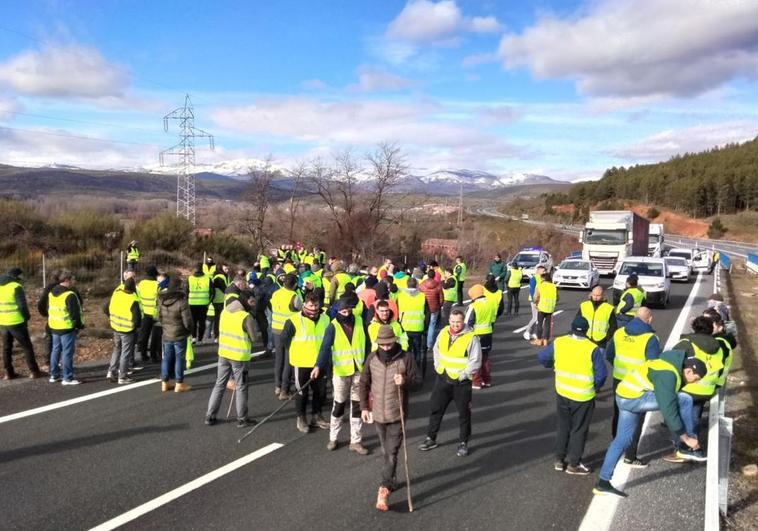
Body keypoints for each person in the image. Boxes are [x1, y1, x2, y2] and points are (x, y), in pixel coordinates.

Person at [593, 352, 708, 498]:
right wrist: (686, 438)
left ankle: (602, 484)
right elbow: (669, 410)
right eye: (696, 379)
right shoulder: (669, 374)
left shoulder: (666, 363)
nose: (695, 382)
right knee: (684, 399)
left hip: (623, 396)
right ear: (689, 371)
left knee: (622, 440)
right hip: (635, 398)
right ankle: (685, 447)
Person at [359, 324, 422, 512]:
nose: (386, 347)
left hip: (397, 414)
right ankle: (392, 480)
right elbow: (363, 383)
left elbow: (418, 381)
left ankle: (384, 488)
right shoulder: (372, 359)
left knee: (392, 452)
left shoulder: (406, 358)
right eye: (382, 344)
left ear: (394, 341)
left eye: (389, 343)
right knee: (386, 452)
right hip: (378, 415)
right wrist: (363, 407)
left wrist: (405, 382)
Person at [539, 316, 607, 474]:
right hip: (583, 395)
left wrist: (553, 365)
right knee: (579, 429)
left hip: (562, 391)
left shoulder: (560, 342)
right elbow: (601, 375)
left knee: (563, 426)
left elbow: (542, 357)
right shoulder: (592, 348)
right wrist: (595, 387)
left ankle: (559, 459)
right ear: (586, 330)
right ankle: (574, 463)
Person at [419, 308, 482, 457]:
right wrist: (438, 366)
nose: (455, 325)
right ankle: (431, 438)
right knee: (436, 409)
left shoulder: (471, 338)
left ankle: (463, 442)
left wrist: (463, 375)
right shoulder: (443, 332)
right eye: (453, 322)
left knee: (464, 414)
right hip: (443, 379)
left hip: (461, 383)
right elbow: (436, 350)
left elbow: (476, 361)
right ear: (449, 321)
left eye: (458, 322)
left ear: (463, 322)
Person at [605, 307, 661, 467]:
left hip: (619, 379)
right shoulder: (650, 338)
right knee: (635, 419)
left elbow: (609, 354)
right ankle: (630, 455)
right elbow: (654, 364)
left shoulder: (620, 333)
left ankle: (616, 443)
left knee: (618, 412)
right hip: (638, 385)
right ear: (649, 319)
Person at [313, 295, 370, 454]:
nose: (346, 314)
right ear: (337, 311)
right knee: (338, 405)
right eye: (343, 311)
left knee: (357, 406)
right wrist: (318, 365)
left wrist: (368, 364)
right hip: (341, 372)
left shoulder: (360, 322)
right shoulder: (332, 327)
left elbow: (367, 344)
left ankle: (356, 441)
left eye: (348, 310)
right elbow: (324, 348)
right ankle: (333, 437)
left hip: (359, 370)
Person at [665, 316, 725, 463]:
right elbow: (721, 368)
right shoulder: (718, 346)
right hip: (708, 389)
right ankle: (691, 447)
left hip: (689, 388)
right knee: (694, 417)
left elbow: (671, 361)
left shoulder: (686, 343)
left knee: (678, 418)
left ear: (694, 328)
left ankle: (686, 448)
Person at [205, 290, 259, 428]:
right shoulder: (245, 317)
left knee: (219, 384)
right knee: (241, 387)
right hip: (239, 357)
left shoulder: (225, 312)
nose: (254, 305)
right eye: (252, 302)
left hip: (223, 352)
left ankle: (210, 416)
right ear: (246, 300)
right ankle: (242, 418)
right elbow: (254, 338)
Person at [281, 292, 331, 433]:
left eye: (316, 305)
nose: (314, 309)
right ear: (304, 305)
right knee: (302, 392)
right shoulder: (293, 320)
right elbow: (285, 340)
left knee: (319, 392)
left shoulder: (326, 319)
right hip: (301, 362)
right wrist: (296, 352)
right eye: (311, 305)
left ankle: (317, 416)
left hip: (319, 363)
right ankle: (301, 418)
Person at [1, 268, 43, 379]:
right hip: (17, 322)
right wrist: (27, 317)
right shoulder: (16, 287)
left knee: (6, 348)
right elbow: (22, 306)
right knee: (27, 347)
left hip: (3, 322)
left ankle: (8, 373)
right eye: (20, 277)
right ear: (16, 277)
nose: (21, 280)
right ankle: (34, 372)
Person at [158, 275, 193, 392]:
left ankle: (165, 382)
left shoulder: (161, 299)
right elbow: (187, 321)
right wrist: (190, 331)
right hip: (179, 334)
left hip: (166, 333)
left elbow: (160, 317)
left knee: (166, 358)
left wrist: (165, 327)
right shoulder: (182, 302)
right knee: (179, 359)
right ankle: (179, 383)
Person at [47, 271, 84, 385]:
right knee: (67, 353)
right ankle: (67, 378)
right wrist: (78, 326)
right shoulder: (70, 295)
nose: (74, 282)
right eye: (72, 280)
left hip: (54, 326)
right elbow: (75, 314)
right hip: (66, 327)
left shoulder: (51, 293)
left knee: (55, 350)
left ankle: (54, 375)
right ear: (67, 280)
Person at [104, 277, 142, 385]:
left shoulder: (116, 294)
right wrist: (137, 327)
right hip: (127, 330)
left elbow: (105, 307)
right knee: (125, 353)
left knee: (116, 349)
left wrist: (111, 317)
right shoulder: (133, 300)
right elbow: (137, 318)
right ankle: (123, 376)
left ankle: (111, 371)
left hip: (115, 326)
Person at [271, 274, 303, 400]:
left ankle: (277, 386)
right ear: (295, 285)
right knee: (289, 361)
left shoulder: (276, 293)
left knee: (279, 359)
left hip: (276, 329)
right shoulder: (294, 297)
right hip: (289, 332)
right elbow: (302, 309)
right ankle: (285, 389)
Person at [466, 284, 496, 390]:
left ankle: (476, 382)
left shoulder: (473, 306)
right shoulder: (491, 304)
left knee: (475, 358)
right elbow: (493, 320)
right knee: (485, 358)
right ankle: (487, 380)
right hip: (488, 333)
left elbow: (467, 323)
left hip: (476, 335)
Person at [397, 277, 427, 374]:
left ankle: (407, 370)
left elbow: (397, 312)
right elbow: (427, 313)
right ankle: (417, 369)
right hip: (418, 327)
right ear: (417, 285)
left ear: (407, 285)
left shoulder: (400, 296)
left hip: (405, 327)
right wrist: (425, 326)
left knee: (406, 351)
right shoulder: (422, 296)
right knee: (417, 350)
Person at [136, 265, 160, 364]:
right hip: (156, 314)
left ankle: (143, 355)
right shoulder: (158, 284)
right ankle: (154, 356)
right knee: (155, 336)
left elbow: (138, 298)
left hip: (144, 313)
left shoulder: (141, 284)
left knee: (144, 335)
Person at [187, 263, 213, 343]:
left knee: (193, 321)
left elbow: (185, 291)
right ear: (202, 269)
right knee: (202, 322)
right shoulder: (207, 278)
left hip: (192, 303)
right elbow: (212, 292)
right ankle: (200, 338)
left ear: (194, 269)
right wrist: (209, 302)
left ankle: (194, 337)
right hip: (204, 303)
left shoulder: (190, 278)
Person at [419, 269, 443, 353]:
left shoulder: (421, 285)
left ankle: (422, 342)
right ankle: (429, 345)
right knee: (431, 326)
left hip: (424, 308)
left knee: (423, 324)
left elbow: (418, 295)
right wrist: (439, 306)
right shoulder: (438, 285)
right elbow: (441, 298)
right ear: (434, 276)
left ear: (427, 275)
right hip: (434, 308)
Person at [532, 272, 557, 347]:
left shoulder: (540, 286)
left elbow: (536, 297)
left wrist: (535, 303)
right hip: (550, 308)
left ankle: (539, 340)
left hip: (541, 307)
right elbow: (557, 297)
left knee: (539, 324)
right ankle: (545, 341)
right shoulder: (553, 286)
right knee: (547, 324)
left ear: (543, 278)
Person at [523, 265, 546, 341]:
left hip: (540, 300)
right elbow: (532, 290)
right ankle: (527, 332)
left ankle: (533, 333)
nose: (544, 272)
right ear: (538, 270)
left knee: (539, 318)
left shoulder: (542, 278)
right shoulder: (534, 278)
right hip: (534, 300)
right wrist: (534, 300)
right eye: (543, 271)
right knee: (535, 317)